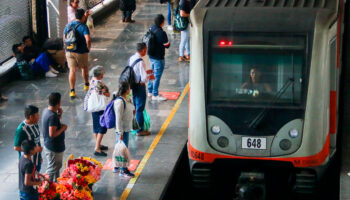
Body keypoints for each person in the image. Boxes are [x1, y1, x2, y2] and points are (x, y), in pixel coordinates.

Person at [64, 8, 91, 99]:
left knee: (72, 70)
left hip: (69, 51)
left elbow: (64, 38)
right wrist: (88, 47)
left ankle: (72, 91)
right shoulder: (83, 26)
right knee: (84, 67)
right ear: (83, 16)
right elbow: (88, 39)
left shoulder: (68, 25)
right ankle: (86, 84)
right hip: (81, 51)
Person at [41, 93, 67, 182]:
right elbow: (52, 134)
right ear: (59, 102)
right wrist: (63, 128)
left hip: (50, 145)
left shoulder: (46, 111)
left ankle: (55, 185)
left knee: (56, 167)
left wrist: (59, 115)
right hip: (54, 147)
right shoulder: (52, 116)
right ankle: (44, 187)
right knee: (52, 169)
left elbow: (54, 125)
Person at [113, 82, 135, 177]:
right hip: (122, 130)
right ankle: (123, 170)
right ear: (127, 90)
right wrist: (120, 132)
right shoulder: (120, 102)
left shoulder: (126, 99)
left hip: (125, 128)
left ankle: (117, 166)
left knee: (119, 148)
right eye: (129, 88)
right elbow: (118, 119)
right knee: (123, 150)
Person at [130, 43, 151, 136]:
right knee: (139, 108)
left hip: (133, 85)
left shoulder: (132, 58)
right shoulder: (140, 61)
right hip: (140, 86)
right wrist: (149, 75)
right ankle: (140, 130)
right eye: (145, 50)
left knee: (135, 106)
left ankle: (134, 126)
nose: (146, 52)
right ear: (143, 50)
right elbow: (143, 78)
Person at [147, 14, 170, 101]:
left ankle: (150, 91)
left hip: (151, 56)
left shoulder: (151, 28)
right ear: (162, 22)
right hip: (158, 58)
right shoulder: (161, 33)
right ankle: (155, 94)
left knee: (151, 74)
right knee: (157, 76)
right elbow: (167, 45)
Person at [89, 66, 110, 156]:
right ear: (100, 74)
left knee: (96, 126)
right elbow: (107, 94)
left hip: (94, 107)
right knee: (102, 126)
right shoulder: (99, 84)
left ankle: (98, 144)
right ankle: (97, 148)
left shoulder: (92, 80)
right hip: (100, 107)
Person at [14, 105, 43, 172]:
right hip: (28, 163)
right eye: (37, 115)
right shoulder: (21, 130)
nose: (39, 116)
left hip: (37, 159)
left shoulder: (35, 124)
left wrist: (39, 156)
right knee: (29, 181)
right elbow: (16, 147)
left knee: (36, 178)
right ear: (31, 117)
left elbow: (37, 140)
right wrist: (33, 150)